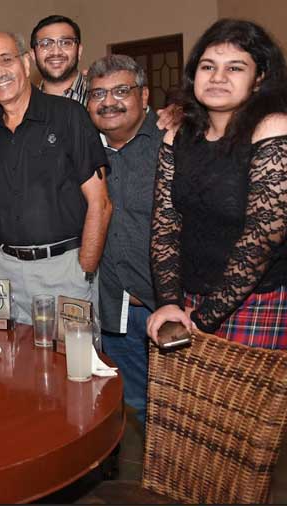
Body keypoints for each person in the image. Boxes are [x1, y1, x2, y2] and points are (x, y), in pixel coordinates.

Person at [147, 19, 287, 356]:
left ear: (260, 78)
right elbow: (165, 226)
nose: (218, 77)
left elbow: (259, 243)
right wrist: (169, 304)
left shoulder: (276, 129)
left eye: (235, 67)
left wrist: (202, 318)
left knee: (249, 410)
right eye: (208, 66)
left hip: (262, 299)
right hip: (190, 298)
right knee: (188, 409)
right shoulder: (178, 135)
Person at [0, 32, 111, 324]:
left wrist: (84, 270)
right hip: (5, 273)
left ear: (25, 62)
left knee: (73, 367)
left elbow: (101, 203)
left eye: (6, 60)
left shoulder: (69, 116)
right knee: (11, 366)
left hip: (64, 272)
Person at [87, 55, 163, 427]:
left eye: (121, 91)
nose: (108, 102)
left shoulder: (173, 143)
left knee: (182, 408)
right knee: (138, 404)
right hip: (113, 309)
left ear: (144, 96)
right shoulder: (83, 148)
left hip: (165, 306)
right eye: (98, 93)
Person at [30, 15, 88, 105]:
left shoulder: (99, 95)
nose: (56, 52)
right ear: (33, 55)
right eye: (46, 44)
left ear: (79, 51)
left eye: (65, 43)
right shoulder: (27, 103)